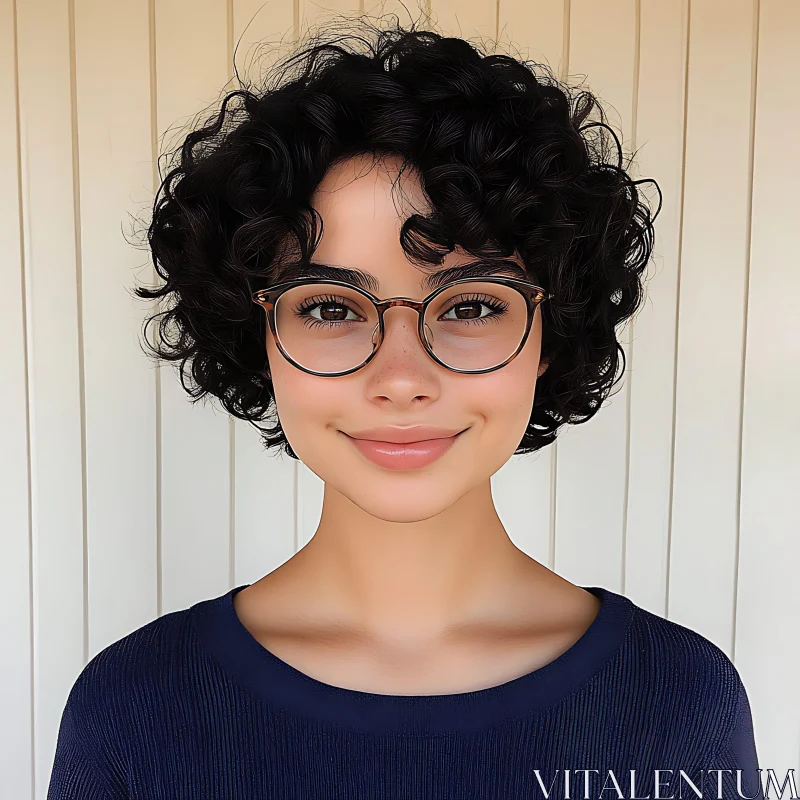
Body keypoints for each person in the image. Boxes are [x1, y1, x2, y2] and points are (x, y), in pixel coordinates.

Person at [48, 16, 762, 800]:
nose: (399, 377)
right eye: (329, 308)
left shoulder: (679, 706)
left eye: (468, 306)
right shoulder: (131, 711)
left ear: (548, 334)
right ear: (259, 334)